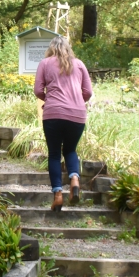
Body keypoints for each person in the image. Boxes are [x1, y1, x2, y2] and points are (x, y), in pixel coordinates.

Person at [33, 36, 93, 211]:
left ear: (51, 48)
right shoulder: (79, 64)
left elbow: (38, 90)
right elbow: (88, 92)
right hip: (77, 114)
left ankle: (58, 195)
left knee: (54, 154)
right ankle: (74, 179)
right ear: (68, 48)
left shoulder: (45, 63)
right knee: (70, 150)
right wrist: (75, 101)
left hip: (53, 114)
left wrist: (50, 99)